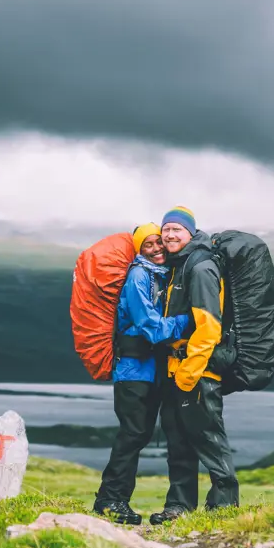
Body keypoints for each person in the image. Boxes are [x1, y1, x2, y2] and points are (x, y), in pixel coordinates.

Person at [93, 223, 190, 525]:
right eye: (148, 245)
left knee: (138, 434)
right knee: (133, 434)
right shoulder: (138, 276)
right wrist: (189, 321)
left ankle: (115, 500)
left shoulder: (159, 275)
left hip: (148, 371)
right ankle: (110, 501)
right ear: (139, 250)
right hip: (133, 370)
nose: (157, 248)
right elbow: (150, 326)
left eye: (158, 242)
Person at [149, 206, 240, 526]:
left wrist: (191, 370)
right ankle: (179, 507)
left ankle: (224, 508)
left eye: (177, 230)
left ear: (191, 233)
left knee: (208, 438)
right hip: (177, 371)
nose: (170, 235)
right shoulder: (179, 266)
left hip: (198, 371)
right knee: (178, 441)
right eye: (166, 230)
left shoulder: (200, 268)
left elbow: (209, 326)